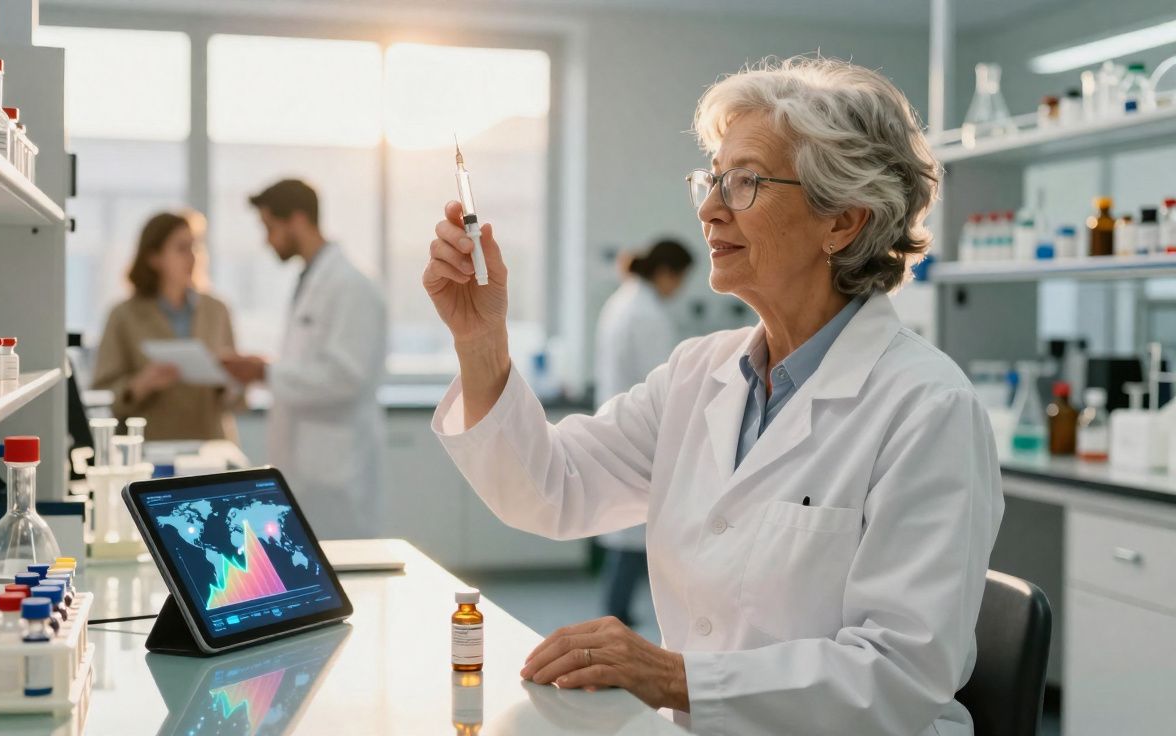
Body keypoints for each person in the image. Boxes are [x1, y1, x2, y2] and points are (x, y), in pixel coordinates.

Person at [423, 57, 1002, 735]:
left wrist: (674, 677)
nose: (708, 209)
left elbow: (897, 676)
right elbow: (551, 486)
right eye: (712, 180)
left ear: (842, 221)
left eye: (745, 182)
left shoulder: (927, 409)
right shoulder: (700, 373)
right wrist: (482, 338)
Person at [221, 179, 388, 540]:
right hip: (306, 466)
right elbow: (312, 363)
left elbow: (346, 378)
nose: (266, 240)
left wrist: (265, 371)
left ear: (296, 220)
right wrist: (266, 370)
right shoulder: (313, 279)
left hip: (337, 469)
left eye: (270, 227)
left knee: (343, 573)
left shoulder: (351, 285)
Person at [594, 239, 693, 626]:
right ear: (667, 273)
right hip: (640, 430)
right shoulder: (647, 314)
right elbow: (664, 381)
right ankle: (615, 615)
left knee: (629, 529)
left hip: (620, 423)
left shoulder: (625, 301)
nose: (679, 290)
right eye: (680, 280)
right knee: (634, 532)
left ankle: (616, 612)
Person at [92, 211, 241, 442]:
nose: (193, 258)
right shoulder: (123, 315)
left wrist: (228, 379)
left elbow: (238, 397)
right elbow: (102, 395)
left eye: (196, 247)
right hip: (150, 448)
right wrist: (141, 384)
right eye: (182, 248)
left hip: (211, 446)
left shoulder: (217, 310)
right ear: (154, 257)